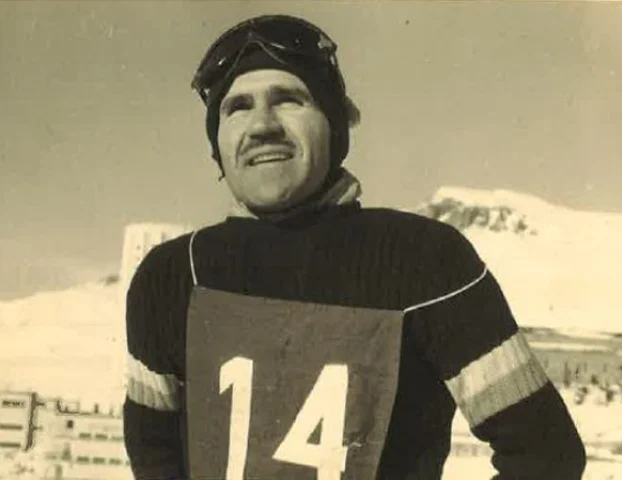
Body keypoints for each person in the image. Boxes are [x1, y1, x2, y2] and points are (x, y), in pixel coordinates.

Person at [123, 14, 586, 480]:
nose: (262, 125)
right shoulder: (173, 277)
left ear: (336, 122)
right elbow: (153, 457)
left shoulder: (423, 261)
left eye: (289, 99)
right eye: (237, 107)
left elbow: (545, 456)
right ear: (217, 142)